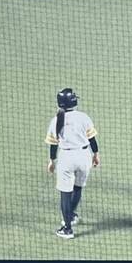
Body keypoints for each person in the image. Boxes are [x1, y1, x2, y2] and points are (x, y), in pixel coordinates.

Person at [45, 88, 100, 239]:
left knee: (65, 192)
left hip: (66, 158)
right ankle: (71, 215)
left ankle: (67, 228)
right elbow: (92, 140)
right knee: (78, 187)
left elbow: (53, 144)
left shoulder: (56, 120)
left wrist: (52, 161)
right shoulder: (83, 117)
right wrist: (96, 155)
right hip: (84, 156)